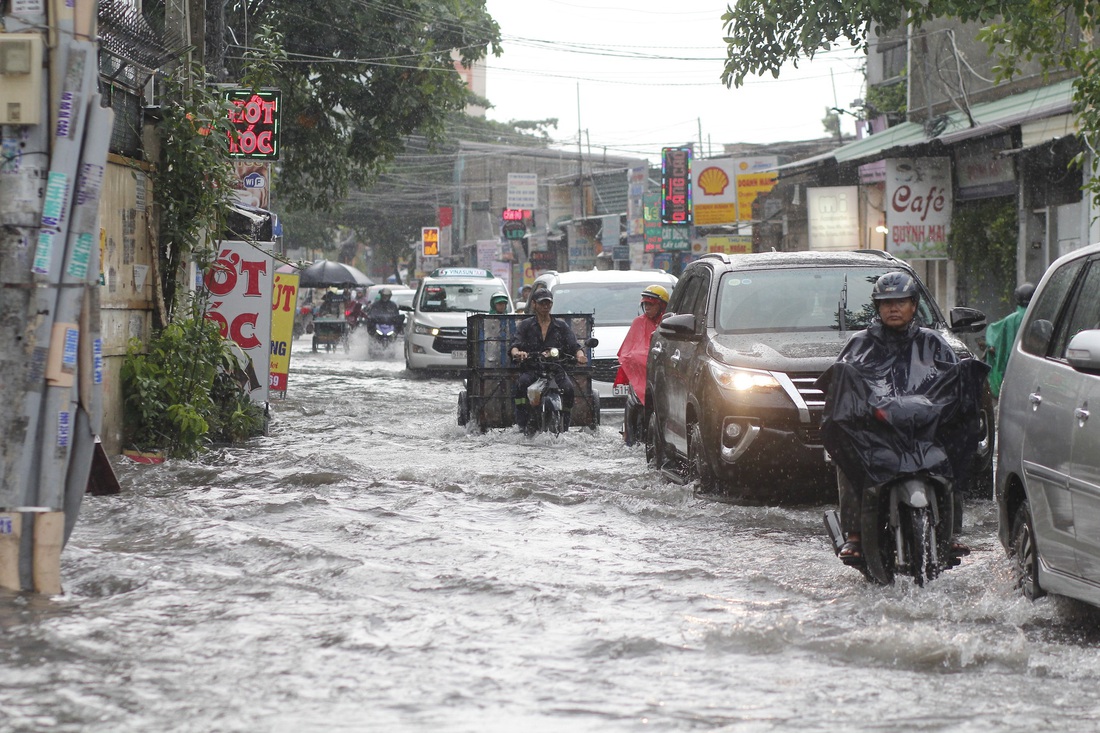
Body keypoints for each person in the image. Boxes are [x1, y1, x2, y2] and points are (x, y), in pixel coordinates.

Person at [821, 272, 981, 562]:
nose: (893, 308)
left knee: (952, 462)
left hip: (924, 434)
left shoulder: (934, 343)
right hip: (877, 436)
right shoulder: (859, 344)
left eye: (900, 302)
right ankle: (855, 535)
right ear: (877, 308)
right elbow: (843, 385)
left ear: (913, 305)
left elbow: (953, 384)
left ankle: (953, 532)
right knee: (846, 461)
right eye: (885, 303)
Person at [509, 287, 588, 430]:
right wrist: (517, 353)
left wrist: (580, 356)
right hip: (533, 369)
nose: (545, 306)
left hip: (556, 369)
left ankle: (565, 425)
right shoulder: (526, 325)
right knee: (521, 385)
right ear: (534, 304)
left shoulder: (561, 326)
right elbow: (515, 345)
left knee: (569, 389)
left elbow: (574, 345)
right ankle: (522, 423)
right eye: (542, 303)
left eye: (548, 303)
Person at [612, 284, 669, 406]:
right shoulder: (638, 322)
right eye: (646, 304)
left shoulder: (668, 322)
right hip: (642, 374)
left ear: (662, 305)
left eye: (651, 304)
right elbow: (626, 351)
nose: (647, 308)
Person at [984, 282, 1035, 398]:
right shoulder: (1040, 316)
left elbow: (993, 333)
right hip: (1034, 371)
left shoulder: (1011, 320)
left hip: (1012, 371)